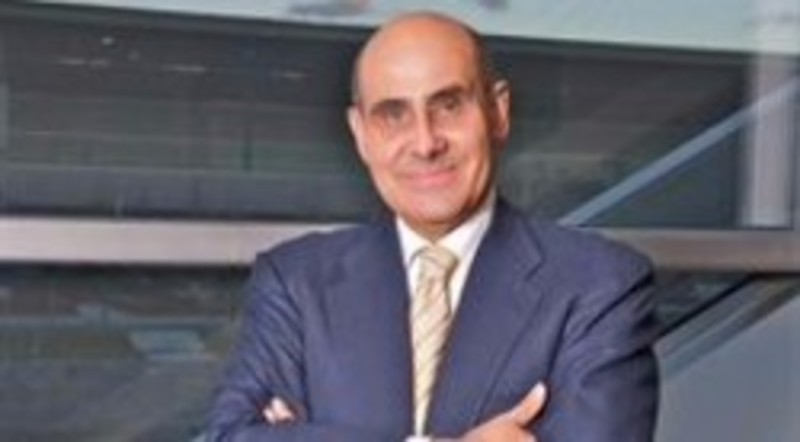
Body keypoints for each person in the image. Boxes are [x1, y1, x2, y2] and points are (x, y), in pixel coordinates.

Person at [207, 11, 658, 442]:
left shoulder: (600, 286)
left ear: (498, 111)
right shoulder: (295, 283)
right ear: (360, 134)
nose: (425, 143)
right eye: (393, 114)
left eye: (449, 106)